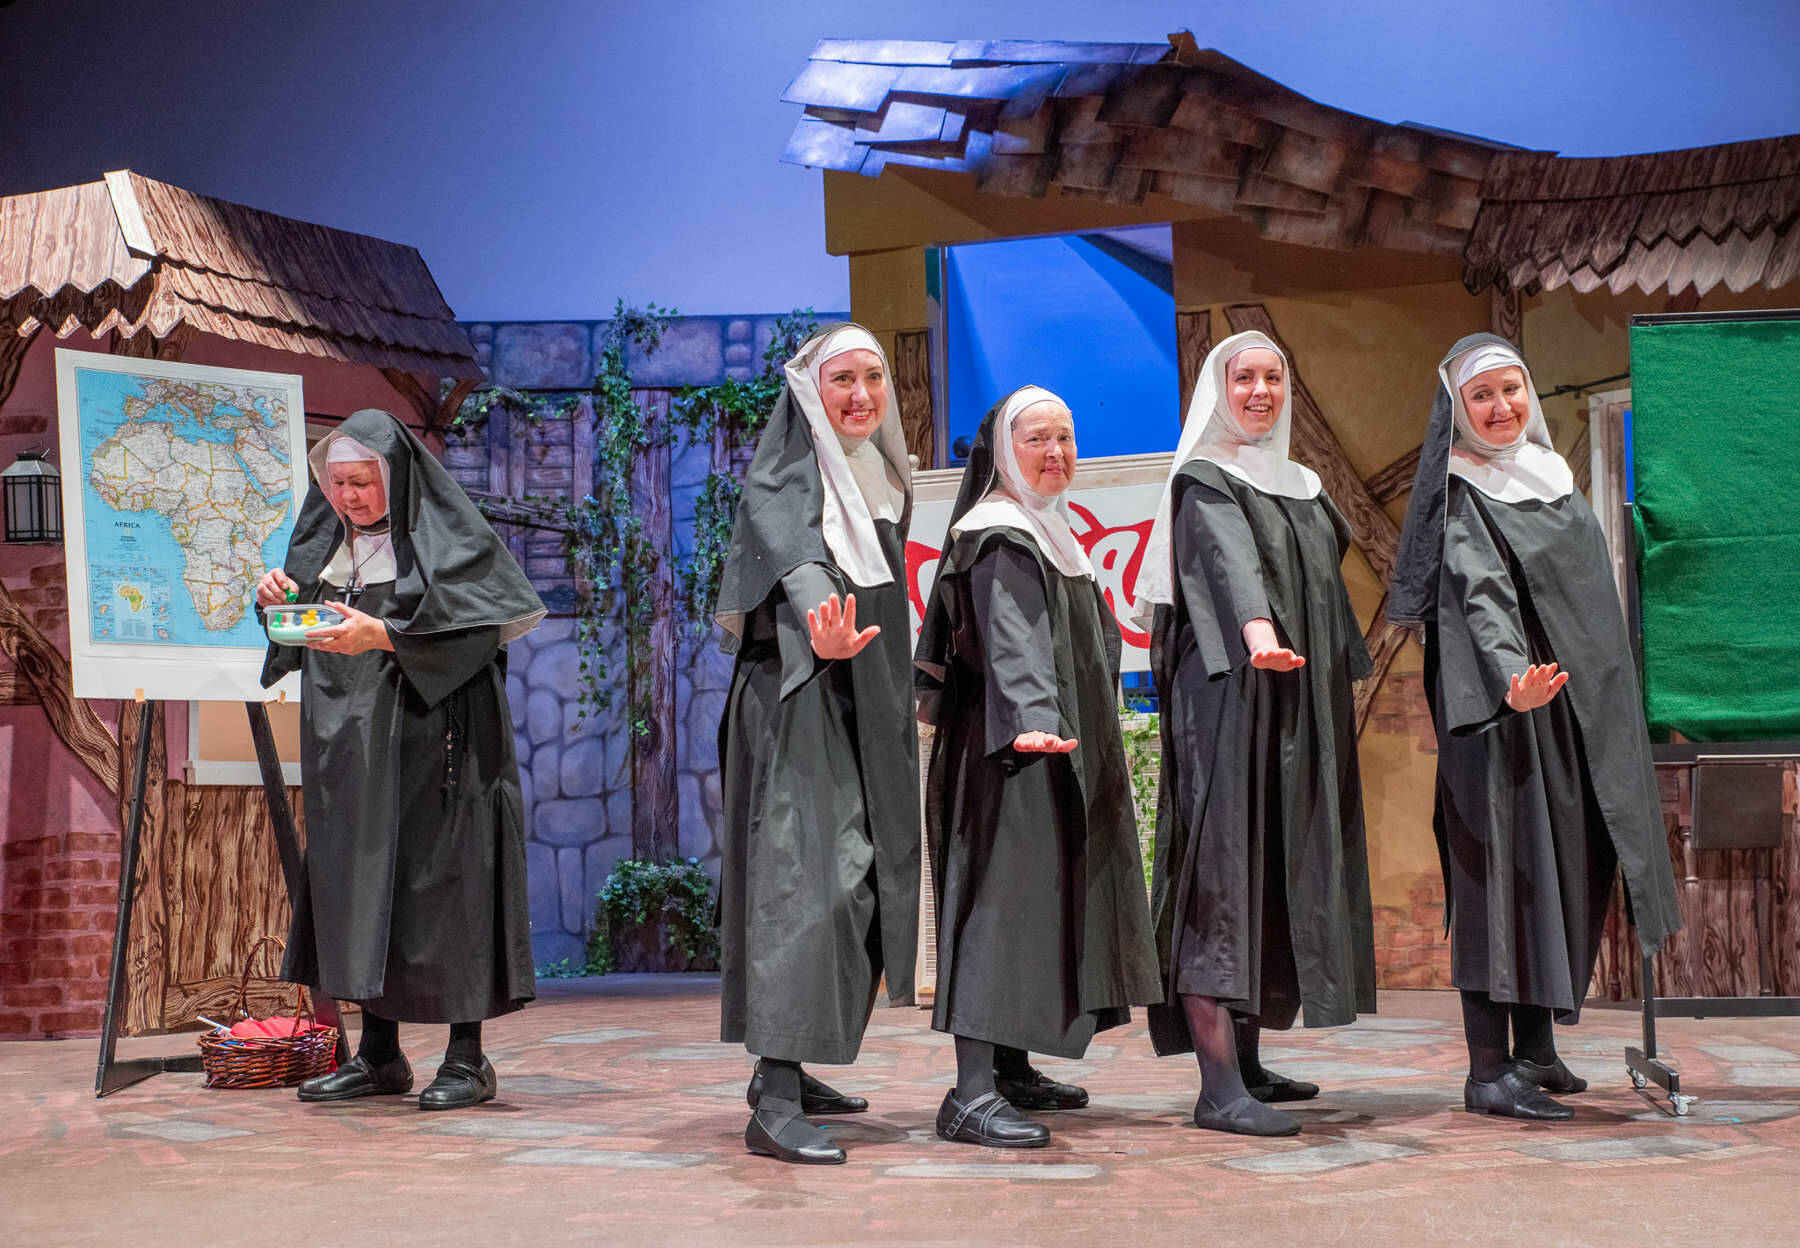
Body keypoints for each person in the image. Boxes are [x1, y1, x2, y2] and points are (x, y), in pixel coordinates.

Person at [1388, 335, 1682, 1120]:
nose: (1502, 407)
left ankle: (1535, 1047)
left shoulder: (1551, 477)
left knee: (1564, 869)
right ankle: (1489, 1071)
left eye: (1512, 389)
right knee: (1503, 880)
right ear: (1459, 410)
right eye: (1481, 396)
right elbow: (1479, 593)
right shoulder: (1460, 492)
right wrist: (1510, 678)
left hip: (1573, 712)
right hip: (1503, 716)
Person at [254, 408, 544, 1111]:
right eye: (338, 484)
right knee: (361, 887)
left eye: (363, 482)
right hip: (350, 750)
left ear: (398, 475)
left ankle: (468, 1059)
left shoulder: (449, 542)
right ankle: (379, 1056)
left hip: (438, 743)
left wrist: (385, 635)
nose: (349, 498)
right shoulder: (328, 550)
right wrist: (276, 604)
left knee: (446, 886)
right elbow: (300, 643)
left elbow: (480, 632)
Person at [1134, 332, 1376, 1138]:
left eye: (1275, 376)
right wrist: (1257, 629)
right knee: (1224, 872)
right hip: (1230, 696)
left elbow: (1326, 576)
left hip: (1293, 697)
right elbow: (1228, 561)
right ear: (1220, 388)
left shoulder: (1303, 484)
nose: (1262, 391)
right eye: (1245, 378)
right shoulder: (1204, 479)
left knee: (1276, 867)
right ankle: (1217, 1086)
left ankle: (1250, 1059)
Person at [915, 387, 1162, 1149]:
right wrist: (1030, 721)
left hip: (1047, 749)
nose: (1055, 453)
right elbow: (1011, 637)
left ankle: (1012, 1067)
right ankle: (969, 1093)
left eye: (1065, 438)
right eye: (1036, 440)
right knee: (997, 912)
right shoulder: (998, 535)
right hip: (1006, 756)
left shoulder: (1049, 532)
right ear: (1000, 453)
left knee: (1037, 907)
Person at [712, 324, 921, 1165]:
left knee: (863, 884)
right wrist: (818, 623)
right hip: (798, 697)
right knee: (809, 890)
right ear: (810, 392)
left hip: (861, 697)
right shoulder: (784, 472)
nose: (861, 395)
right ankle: (778, 1093)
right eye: (842, 381)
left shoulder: (878, 479)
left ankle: (788, 1067)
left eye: (873, 378)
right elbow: (795, 552)